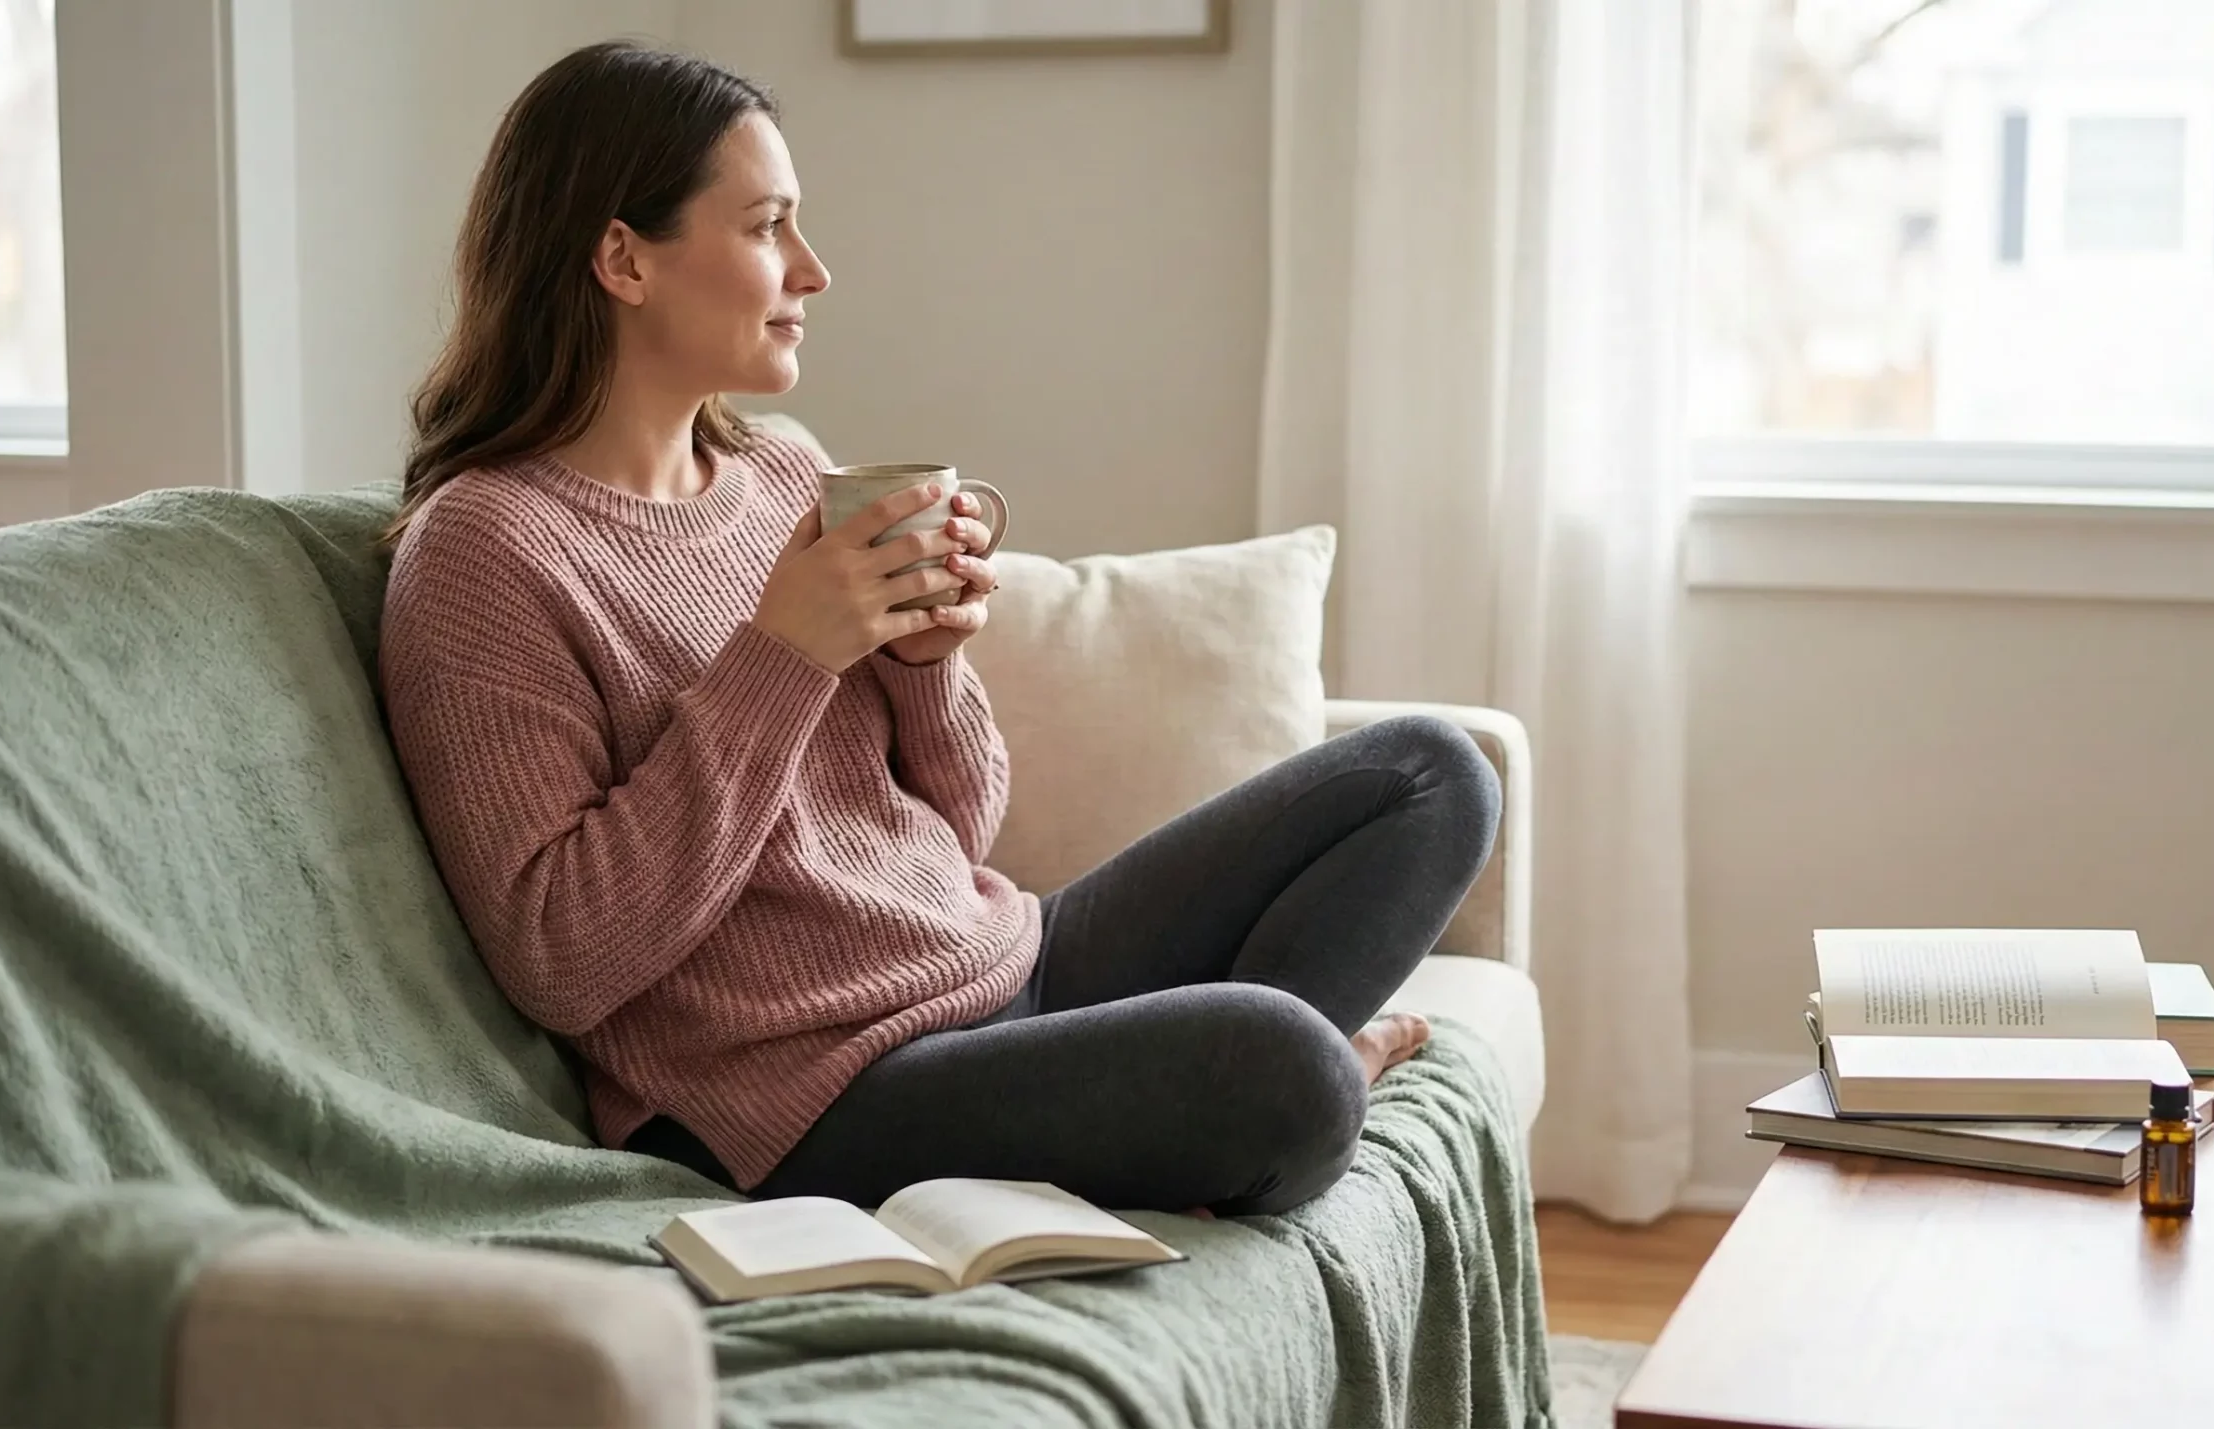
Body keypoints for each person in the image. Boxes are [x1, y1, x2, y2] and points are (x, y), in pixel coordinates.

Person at [377, 41, 1500, 1217]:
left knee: (1431, 776)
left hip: (998, 965)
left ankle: (1205, 1116)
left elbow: (959, 825)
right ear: (622, 258)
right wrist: (786, 655)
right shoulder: (484, 553)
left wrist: (924, 663)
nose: (812, 270)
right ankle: (1266, 1103)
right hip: (811, 1093)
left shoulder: (782, 475)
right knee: (1288, 1067)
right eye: (766, 228)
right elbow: (563, 956)